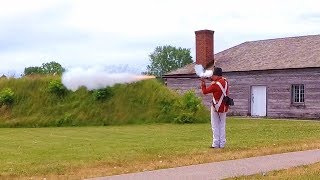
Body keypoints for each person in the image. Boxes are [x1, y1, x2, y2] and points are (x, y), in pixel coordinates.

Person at [200, 67, 229, 148]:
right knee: (222, 125)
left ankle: (215, 143)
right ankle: (222, 144)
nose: (212, 76)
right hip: (224, 106)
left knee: (215, 125)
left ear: (216, 75)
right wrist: (211, 80)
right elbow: (220, 81)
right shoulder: (225, 81)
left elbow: (204, 92)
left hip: (216, 107)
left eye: (213, 75)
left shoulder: (215, 85)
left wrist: (203, 83)